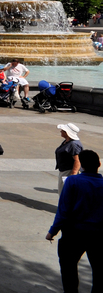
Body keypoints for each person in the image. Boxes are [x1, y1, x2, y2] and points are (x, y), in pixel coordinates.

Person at [47, 149, 103, 292]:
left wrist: (53, 231)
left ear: (82, 165)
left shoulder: (73, 181)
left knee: (68, 268)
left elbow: (63, 210)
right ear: (99, 164)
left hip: (74, 233)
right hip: (98, 234)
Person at [55, 123, 83, 194]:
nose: (60, 131)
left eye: (63, 130)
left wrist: (72, 175)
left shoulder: (73, 144)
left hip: (68, 172)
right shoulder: (66, 142)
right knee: (63, 193)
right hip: (64, 171)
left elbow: (77, 160)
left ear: (67, 133)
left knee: (65, 194)